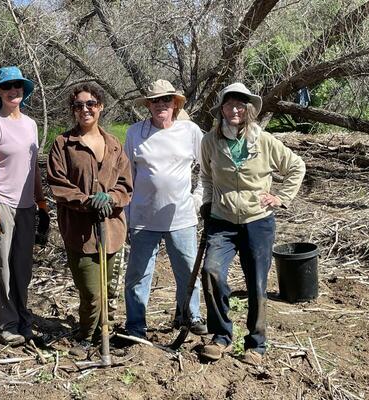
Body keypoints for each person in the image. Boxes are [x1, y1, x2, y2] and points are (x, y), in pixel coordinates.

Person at [198, 82, 305, 365]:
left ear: (248, 110)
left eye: (240, 105)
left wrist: (280, 197)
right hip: (222, 221)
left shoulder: (264, 141)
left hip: (258, 222)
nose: (235, 110)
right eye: (230, 105)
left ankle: (256, 344)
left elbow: (296, 166)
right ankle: (221, 336)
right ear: (221, 109)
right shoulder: (210, 140)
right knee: (211, 272)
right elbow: (207, 176)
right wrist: (207, 204)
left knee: (257, 283)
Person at [47, 83, 132, 354]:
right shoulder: (63, 144)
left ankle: (102, 335)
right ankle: (85, 336)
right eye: (78, 105)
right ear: (73, 110)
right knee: (92, 294)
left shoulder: (114, 145)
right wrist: (86, 201)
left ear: (100, 107)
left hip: (111, 228)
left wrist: (112, 198)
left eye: (91, 104)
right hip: (80, 231)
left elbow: (125, 184)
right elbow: (58, 185)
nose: (85, 109)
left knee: (109, 291)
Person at [123, 79, 207, 339]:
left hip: (181, 216)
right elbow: (127, 176)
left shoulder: (190, 131)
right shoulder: (135, 133)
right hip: (143, 217)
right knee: (138, 274)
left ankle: (189, 315)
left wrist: (198, 198)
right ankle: (136, 325)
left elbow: (208, 170)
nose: (161, 105)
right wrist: (126, 216)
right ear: (148, 105)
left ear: (175, 103)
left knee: (188, 269)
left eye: (166, 100)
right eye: (155, 100)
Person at [0, 66, 49, 346]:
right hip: (1, 202)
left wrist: (41, 201)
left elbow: (32, 167)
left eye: (18, 87)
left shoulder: (31, 124)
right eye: (7, 86)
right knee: (1, 268)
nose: (13, 91)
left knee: (23, 267)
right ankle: (6, 323)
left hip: (26, 206)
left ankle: (23, 318)